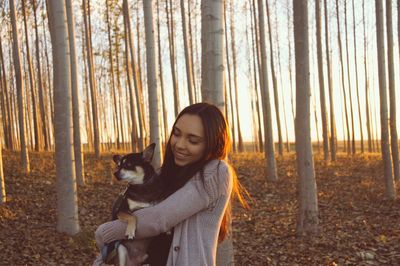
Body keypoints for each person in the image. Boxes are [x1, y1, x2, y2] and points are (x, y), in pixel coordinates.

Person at [93, 102, 248, 265]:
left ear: (212, 144)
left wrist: (105, 232)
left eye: (193, 140)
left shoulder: (215, 172)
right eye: (176, 133)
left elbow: (159, 219)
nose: (179, 145)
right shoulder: (163, 174)